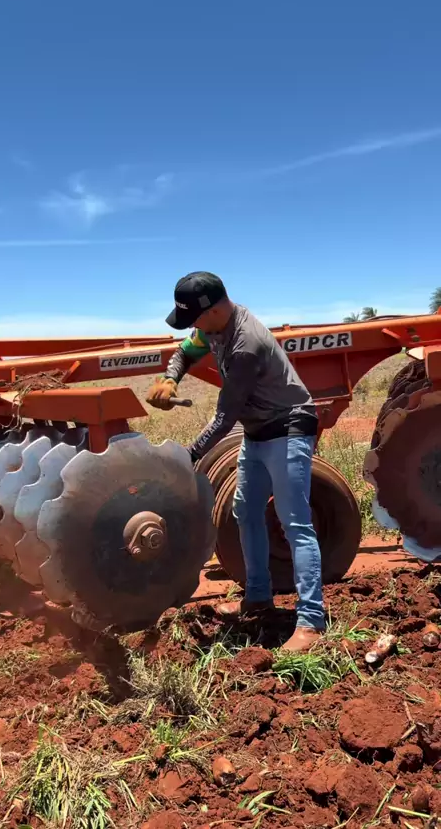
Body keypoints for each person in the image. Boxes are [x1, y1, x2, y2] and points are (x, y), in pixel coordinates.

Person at [146, 271, 325, 652]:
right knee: (245, 511)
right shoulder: (212, 328)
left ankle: (311, 621)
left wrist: (187, 456)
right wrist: (170, 378)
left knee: (294, 522)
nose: (192, 326)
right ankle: (258, 598)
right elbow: (185, 351)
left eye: (194, 318)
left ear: (212, 309)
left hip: (289, 427)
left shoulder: (246, 344)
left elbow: (225, 418)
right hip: (258, 429)